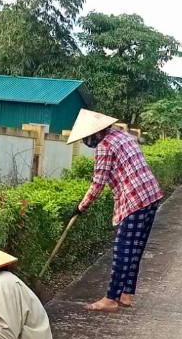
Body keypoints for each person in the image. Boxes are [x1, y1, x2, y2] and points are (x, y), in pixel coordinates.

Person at [66, 109, 163, 313]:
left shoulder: (104, 145)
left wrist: (80, 207)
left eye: (86, 137)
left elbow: (98, 183)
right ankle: (126, 295)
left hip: (135, 200)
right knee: (135, 249)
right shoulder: (122, 135)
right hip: (151, 194)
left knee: (122, 250)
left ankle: (110, 299)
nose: (86, 141)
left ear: (94, 133)